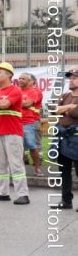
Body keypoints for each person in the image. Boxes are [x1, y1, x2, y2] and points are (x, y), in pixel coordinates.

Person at [0, 62, 30, 205]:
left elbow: (4, 105)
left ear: (9, 75)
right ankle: (3, 193)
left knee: (16, 163)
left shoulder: (15, 90)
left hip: (13, 132)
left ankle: (23, 194)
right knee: (0, 164)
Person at [51, 68, 78, 210]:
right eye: (70, 77)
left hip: (76, 137)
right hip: (63, 137)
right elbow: (53, 109)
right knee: (64, 170)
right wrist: (69, 107)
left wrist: (66, 110)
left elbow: (75, 113)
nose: (71, 79)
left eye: (74, 77)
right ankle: (66, 201)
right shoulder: (65, 95)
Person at [18, 72, 44, 177]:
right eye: (19, 78)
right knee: (18, 148)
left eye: (23, 79)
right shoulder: (16, 91)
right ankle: (20, 169)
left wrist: (12, 101)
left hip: (30, 122)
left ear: (30, 81)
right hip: (16, 123)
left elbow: (27, 104)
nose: (20, 80)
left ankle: (37, 168)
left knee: (33, 146)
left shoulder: (34, 91)